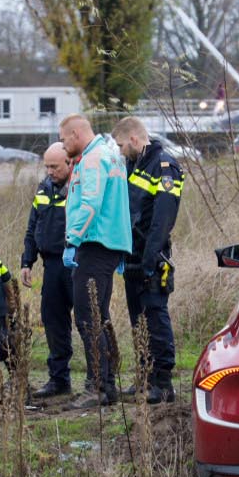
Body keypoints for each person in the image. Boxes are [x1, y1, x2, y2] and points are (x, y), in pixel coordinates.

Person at [59, 113, 130, 409]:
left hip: (94, 243)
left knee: (88, 317)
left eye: (63, 139)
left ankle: (97, 386)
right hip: (109, 243)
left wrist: (72, 240)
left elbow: (90, 204)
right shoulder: (111, 156)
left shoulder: (92, 159)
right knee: (99, 315)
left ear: (76, 134)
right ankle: (107, 385)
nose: (63, 146)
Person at [112, 116, 181, 404]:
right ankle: (144, 377)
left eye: (120, 145)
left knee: (155, 319)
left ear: (134, 139)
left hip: (152, 257)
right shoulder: (134, 164)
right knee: (138, 321)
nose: (119, 151)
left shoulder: (164, 166)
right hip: (132, 256)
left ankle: (163, 383)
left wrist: (150, 261)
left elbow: (162, 220)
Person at [20, 142, 73, 399]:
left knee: (89, 322)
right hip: (51, 264)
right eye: (47, 167)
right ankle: (59, 379)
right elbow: (33, 227)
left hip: (76, 263)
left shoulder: (80, 187)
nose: (50, 172)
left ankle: (99, 381)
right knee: (53, 321)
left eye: (55, 167)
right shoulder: (44, 188)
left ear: (70, 163)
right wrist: (26, 262)